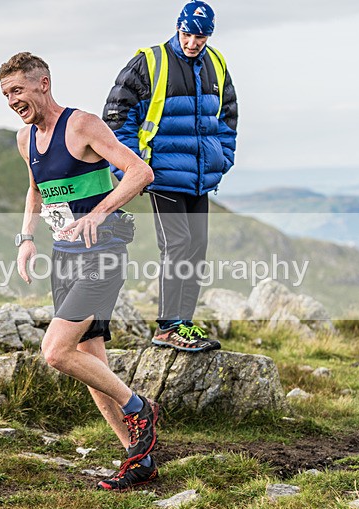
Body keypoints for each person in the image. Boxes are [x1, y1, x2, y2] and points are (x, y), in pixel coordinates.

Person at [0, 52, 159, 491]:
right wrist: (26, 237)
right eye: (5, 94)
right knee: (88, 361)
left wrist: (99, 212)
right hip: (64, 255)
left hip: (102, 252)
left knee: (55, 351)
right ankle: (137, 457)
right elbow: (36, 188)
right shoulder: (25, 138)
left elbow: (139, 172)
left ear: (43, 84)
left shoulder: (82, 125)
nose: (12, 100)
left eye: (18, 90)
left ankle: (139, 408)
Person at [103, 1, 238, 351]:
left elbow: (228, 114)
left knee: (197, 248)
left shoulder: (217, 64)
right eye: (188, 34)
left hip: (199, 176)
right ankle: (167, 326)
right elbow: (118, 116)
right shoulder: (150, 61)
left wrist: (222, 158)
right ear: (178, 28)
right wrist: (133, 169)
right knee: (176, 245)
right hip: (160, 175)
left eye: (201, 36)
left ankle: (185, 324)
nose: (193, 42)